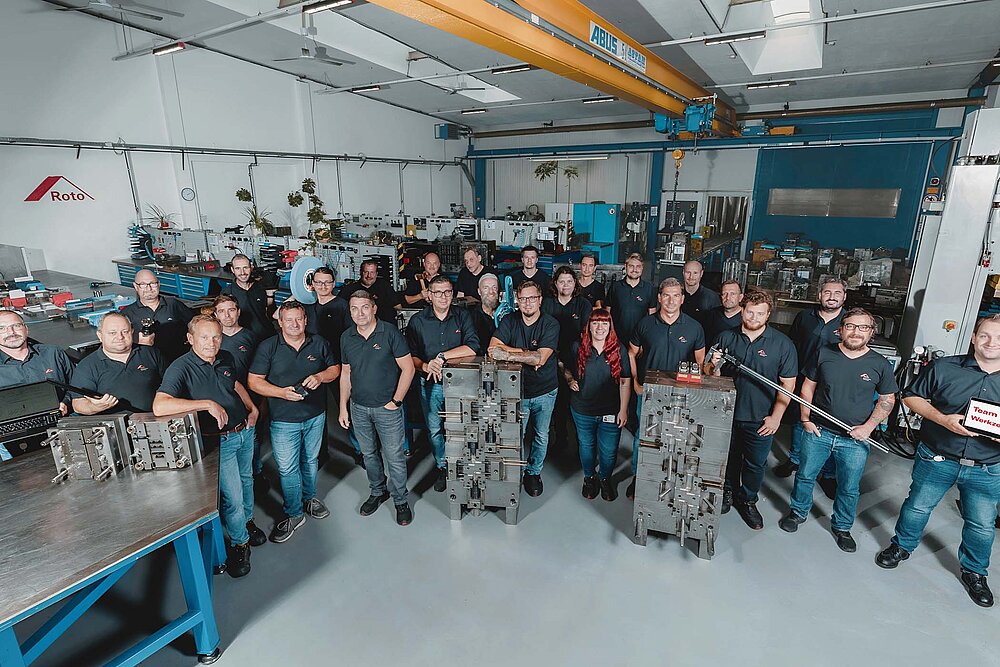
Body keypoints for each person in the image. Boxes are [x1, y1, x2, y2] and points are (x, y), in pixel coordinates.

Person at [875, 315, 1000, 608]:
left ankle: (974, 572)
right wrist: (943, 419)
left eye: (999, 338)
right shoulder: (945, 367)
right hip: (937, 457)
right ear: (973, 337)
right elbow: (911, 398)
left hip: (987, 467)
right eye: (984, 335)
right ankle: (901, 546)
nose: (991, 343)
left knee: (982, 524)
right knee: (918, 507)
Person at [780, 308, 897, 553]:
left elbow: (887, 399)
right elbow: (807, 387)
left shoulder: (880, 364)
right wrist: (805, 418)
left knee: (849, 487)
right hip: (819, 431)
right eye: (851, 326)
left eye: (863, 327)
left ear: (871, 333)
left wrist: (868, 428)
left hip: (855, 440)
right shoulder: (824, 353)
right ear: (840, 330)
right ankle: (798, 512)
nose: (856, 332)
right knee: (805, 475)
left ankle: (842, 526)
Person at [153, 315, 261, 578]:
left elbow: (234, 384)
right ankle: (240, 544)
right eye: (204, 337)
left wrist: (252, 408)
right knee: (233, 497)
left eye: (216, 337)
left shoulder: (226, 357)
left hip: (244, 431)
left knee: (247, 481)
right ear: (190, 339)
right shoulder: (180, 368)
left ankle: (247, 524)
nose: (211, 343)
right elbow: (160, 405)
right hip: (219, 441)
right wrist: (207, 404)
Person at [248, 301, 340, 544]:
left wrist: (320, 376)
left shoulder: (319, 342)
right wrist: (281, 393)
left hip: (315, 415)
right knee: (288, 468)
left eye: (299, 319)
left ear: (305, 320)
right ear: (280, 322)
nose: (294, 324)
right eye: (288, 320)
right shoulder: (268, 347)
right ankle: (294, 513)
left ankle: (309, 499)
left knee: (310, 461)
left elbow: (335, 369)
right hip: (283, 420)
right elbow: (254, 381)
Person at [707, 290, 797, 530]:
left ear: (768, 315)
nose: (754, 317)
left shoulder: (782, 344)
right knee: (728, 457)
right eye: (750, 312)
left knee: (755, 464)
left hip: (760, 417)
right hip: (726, 413)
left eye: (760, 313)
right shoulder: (725, 337)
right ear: (742, 311)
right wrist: (713, 366)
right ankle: (727, 491)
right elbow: (709, 375)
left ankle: (747, 500)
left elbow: (788, 385)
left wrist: (776, 417)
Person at [339, 290, 416, 525]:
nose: (360, 313)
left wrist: (396, 401)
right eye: (354, 308)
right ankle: (377, 491)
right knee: (369, 454)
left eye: (365, 307)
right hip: (359, 408)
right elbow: (346, 373)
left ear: (374, 308)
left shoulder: (390, 333)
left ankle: (400, 500)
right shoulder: (346, 337)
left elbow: (408, 368)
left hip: (387, 408)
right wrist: (343, 407)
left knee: (394, 457)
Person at [627, 277, 706, 498]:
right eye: (667, 296)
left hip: (681, 395)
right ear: (660, 298)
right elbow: (631, 353)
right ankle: (638, 477)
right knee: (643, 438)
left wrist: (694, 388)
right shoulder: (645, 324)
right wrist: (636, 382)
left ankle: (672, 479)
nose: (671, 300)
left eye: (676, 296)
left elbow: (700, 362)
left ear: (682, 299)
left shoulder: (694, 327)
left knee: (678, 439)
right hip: (649, 393)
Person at [406, 275, 479, 491]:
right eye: (437, 292)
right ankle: (443, 467)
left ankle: (464, 467)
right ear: (429, 295)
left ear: (452, 293)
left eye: (447, 292)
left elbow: (473, 347)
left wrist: (442, 357)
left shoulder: (463, 316)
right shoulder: (417, 321)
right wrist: (425, 366)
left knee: (463, 427)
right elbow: (411, 356)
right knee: (435, 429)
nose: (443, 297)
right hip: (431, 384)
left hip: (461, 383)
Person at [489, 280, 559, 497]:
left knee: (541, 435)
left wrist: (508, 353)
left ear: (540, 300)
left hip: (545, 390)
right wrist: (525, 353)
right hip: (516, 392)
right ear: (517, 301)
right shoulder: (509, 321)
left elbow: (540, 358)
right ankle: (514, 473)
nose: (528, 303)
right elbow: (492, 349)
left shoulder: (550, 324)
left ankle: (533, 473)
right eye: (523, 299)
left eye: (532, 298)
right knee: (514, 436)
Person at [777, 277, 849, 483]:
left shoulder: (849, 322)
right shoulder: (805, 317)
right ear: (819, 295)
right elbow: (792, 345)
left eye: (837, 293)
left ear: (844, 296)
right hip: (804, 377)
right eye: (827, 292)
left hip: (833, 383)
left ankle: (827, 473)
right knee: (801, 419)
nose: (832, 297)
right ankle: (795, 459)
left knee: (831, 426)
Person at [564, 309, 630, 501]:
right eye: (595, 323)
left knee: (609, 451)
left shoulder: (619, 349)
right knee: (586, 447)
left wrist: (623, 410)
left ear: (610, 327)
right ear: (589, 326)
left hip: (611, 410)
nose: (599, 327)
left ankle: (605, 479)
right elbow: (564, 366)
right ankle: (589, 478)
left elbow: (625, 381)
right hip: (582, 410)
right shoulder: (577, 347)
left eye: (604, 323)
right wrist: (569, 379)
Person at [0, 310, 73, 460]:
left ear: (26, 329)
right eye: (2, 328)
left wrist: (66, 402)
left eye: (16, 326)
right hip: (12, 436)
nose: (11, 332)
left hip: (61, 424)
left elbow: (78, 385)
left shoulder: (53, 354)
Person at [70, 312, 165, 415]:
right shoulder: (87, 366)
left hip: (155, 419)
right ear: (100, 335)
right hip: (113, 423)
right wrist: (95, 407)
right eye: (112, 333)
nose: (120, 337)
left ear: (132, 332)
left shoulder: (151, 353)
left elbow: (172, 384)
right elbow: (78, 404)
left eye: (125, 332)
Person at [543, 267, 592, 451]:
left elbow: (587, 335)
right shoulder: (547, 304)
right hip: (551, 358)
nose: (566, 285)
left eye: (569, 281)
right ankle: (561, 439)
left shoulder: (583, 304)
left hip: (576, 359)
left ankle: (581, 444)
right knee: (558, 403)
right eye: (561, 281)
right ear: (555, 284)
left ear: (575, 283)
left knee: (578, 402)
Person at [121, 268, 194, 363]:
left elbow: (196, 325)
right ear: (135, 286)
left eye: (152, 283)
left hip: (177, 361)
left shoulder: (173, 305)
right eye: (143, 284)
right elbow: (120, 343)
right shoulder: (127, 313)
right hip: (147, 363)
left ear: (159, 284)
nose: (149, 288)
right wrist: (139, 343)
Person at [606, 253, 656, 347]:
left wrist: (647, 340)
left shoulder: (649, 289)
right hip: (616, 339)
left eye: (638, 266)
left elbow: (652, 317)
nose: (634, 270)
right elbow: (607, 313)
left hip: (639, 340)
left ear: (642, 268)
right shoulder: (615, 287)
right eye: (631, 266)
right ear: (625, 267)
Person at [222, 254, 274, 341]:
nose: (242, 272)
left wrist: (270, 296)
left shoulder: (261, 287)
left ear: (251, 268)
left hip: (266, 337)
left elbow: (271, 315)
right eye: (238, 268)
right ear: (232, 270)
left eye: (245, 267)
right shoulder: (227, 293)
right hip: (244, 340)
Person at [303, 267, 350, 361]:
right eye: (319, 282)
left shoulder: (342, 305)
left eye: (327, 282)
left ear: (333, 284)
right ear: (313, 284)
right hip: (311, 356)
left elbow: (350, 334)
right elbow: (276, 316)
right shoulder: (307, 304)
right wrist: (297, 293)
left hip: (335, 356)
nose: (323, 286)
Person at [338, 259, 399, 324]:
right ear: (361, 273)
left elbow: (397, 306)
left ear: (376, 274)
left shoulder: (385, 286)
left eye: (372, 272)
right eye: (366, 272)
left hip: (383, 326)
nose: (369, 276)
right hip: (358, 326)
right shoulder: (349, 289)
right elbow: (338, 309)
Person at [680, 260, 720, 327]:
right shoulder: (675, 295)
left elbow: (715, 324)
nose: (691, 277)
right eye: (688, 272)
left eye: (695, 273)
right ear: (683, 272)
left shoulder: (711, 297)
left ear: (701, 274)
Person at [703, 280, 743, 347]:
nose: (728, 298)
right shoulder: (711, 315)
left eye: (732, 294)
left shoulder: (747, 318)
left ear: (740, 297)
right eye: (724, 294)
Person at [469, 273, 503, 349]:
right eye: (486, 288)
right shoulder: (471, 316)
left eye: (494, 287)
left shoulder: (506, 313)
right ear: (479, 291)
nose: (491, 292)